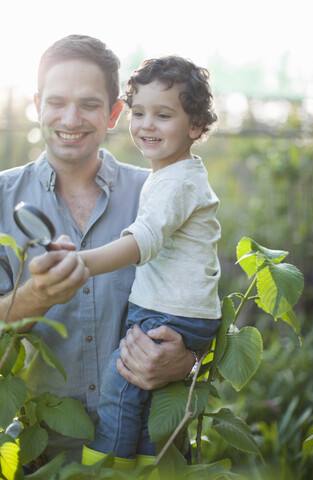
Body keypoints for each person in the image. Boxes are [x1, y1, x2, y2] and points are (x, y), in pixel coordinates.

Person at [0, 35, 195, 465]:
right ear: (37, 105)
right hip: (43, 452)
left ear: (113, 114)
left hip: (149, 453)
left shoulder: (157, 197)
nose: (71, 118)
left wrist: (187, 361)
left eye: (89, 104)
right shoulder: (0, 198)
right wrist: (37, 295)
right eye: (57, 102)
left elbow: (200, 300)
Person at [79, 56, 222, 463]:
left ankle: (109, 470)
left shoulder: (175, 181)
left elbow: (144, 240)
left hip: (166, 314)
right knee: (145, 411)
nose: (146, 124)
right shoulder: (174, 176)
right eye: (139, 113)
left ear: (195, 126)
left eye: (163, 114)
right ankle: (147, 468)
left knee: (120, 392)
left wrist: (81, 264)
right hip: (179, 311)